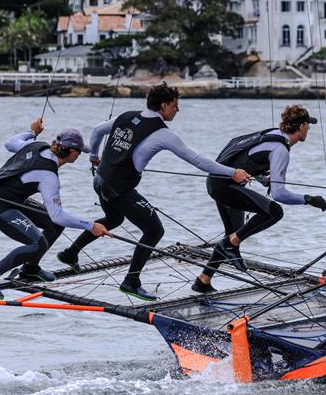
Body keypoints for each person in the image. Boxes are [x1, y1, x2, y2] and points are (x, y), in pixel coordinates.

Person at [56, 82, 250, 301]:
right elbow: (198, 161)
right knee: (154, 231)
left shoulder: (126, 116)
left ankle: (70, 253)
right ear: (164, 105)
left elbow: (98, 130)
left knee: (114, 218)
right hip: (119, 187)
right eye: (176, 106)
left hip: (100, 180)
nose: (178, 110)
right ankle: (131, 281)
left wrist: (93, 157)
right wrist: (233, 173)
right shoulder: (163, 134)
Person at [192, 104, 326, 293]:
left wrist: (261, 177)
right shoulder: (281, 150)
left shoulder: (273, 135)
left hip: (218, 182)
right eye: (307, 124)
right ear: (301, 126)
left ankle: (203, 281)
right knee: (274, 212)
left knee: (232, 235)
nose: (309, 128)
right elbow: (279, 195)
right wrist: (309, 199)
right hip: (225, 186)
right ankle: (229, 245)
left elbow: (247, 159)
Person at [0, 118, 108, 299]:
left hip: (14, 200)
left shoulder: (37, 145)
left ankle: (30, 269)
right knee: (37, 244)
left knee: (53, 225)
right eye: (79, 152)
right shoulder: (49, 176)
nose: (79, 156)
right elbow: (58, 215)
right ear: (71, 152)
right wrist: (91, 226)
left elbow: (10, 143)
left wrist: (32, 133)